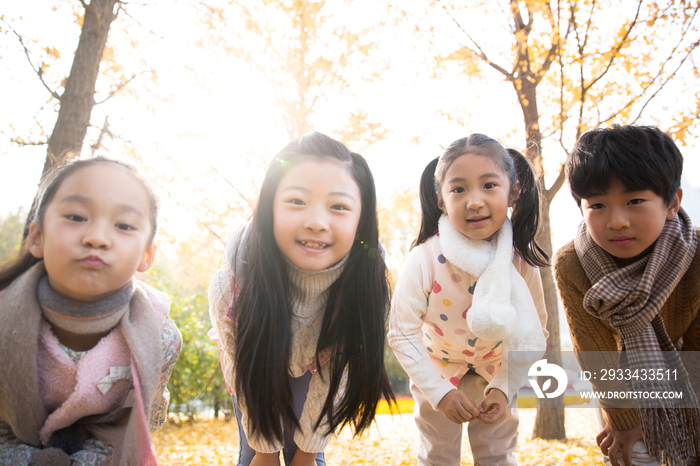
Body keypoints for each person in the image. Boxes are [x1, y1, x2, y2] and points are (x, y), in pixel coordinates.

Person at [208, 131, 395, 466]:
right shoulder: (234, 284)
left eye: (338, 206)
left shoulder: (368, 288)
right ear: (270, 208)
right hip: (256, 363)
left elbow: (338, 379)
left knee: (306, 455)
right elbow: (242, 369)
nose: (316, 223)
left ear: (361, 220)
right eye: (297, 201)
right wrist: (264, 451)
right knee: (254, 453)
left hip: (320, 368)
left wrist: (308, 452)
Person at [0, 157, 182, 466]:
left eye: (124, 225)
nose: (97, 237)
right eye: (75, 216)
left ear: (147, 255)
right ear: (36, 237)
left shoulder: (160, 338)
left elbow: (135, 428)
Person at [389, 134, 549, 466]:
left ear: (513, 192)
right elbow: (401, 332)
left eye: (489, 185)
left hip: (497, 370)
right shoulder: (425, 259)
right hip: (437, 371)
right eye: (459, 189)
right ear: (441, 200)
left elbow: (535, 332)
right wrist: (439, 393)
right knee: (438, 457)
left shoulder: (519, 264)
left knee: (497, 456)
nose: (474, 202)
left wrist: (504, 387)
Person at [554, 125, 700, 466]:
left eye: (635, 201)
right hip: (622, 386)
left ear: (672, 202)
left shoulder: (695, 256)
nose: (617, 221)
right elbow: (594, 352)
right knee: (633, 453)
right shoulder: (572, 262)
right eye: (598, 205)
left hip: (689, 379)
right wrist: (625, 422)